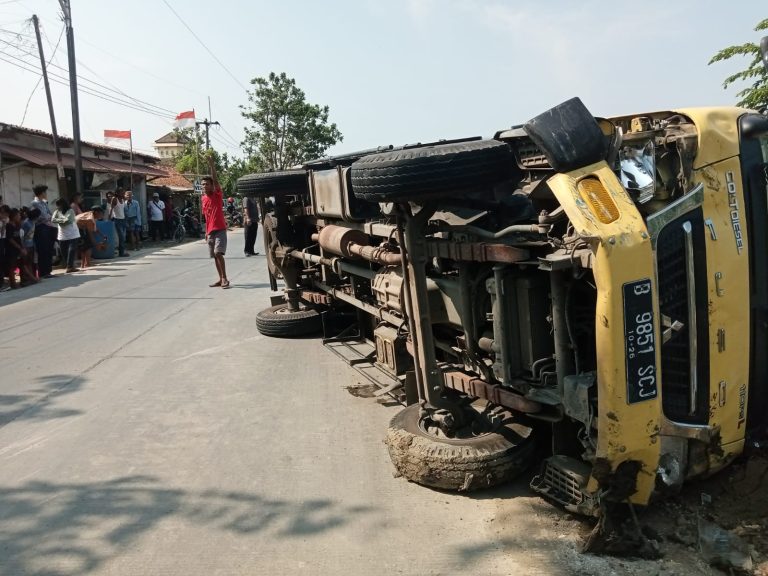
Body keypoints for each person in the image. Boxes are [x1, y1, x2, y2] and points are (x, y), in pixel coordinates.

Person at [202, 155, 229, 288]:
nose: (205, 186)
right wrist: (206, 232)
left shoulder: (216, 195)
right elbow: (206, 217)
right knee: (214, 256)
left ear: (212, 185)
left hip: (220, 229)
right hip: (210, 231)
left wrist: (212, 165)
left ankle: (224, 278)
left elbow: (216, 179)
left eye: (207, 184)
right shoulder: (203, 199)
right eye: (203, 184)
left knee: (219, 253)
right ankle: (220, 279)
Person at [30, 184, 57, 278]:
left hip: (48, 227)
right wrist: (50, 217)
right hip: (40, 228)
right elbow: (43, 216)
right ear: (41, 193)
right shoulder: (35, 203)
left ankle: (48, 271)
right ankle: (43, 272)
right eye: (45, 192)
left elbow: (50, 214)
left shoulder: (44, 203)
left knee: (49, 249)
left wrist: (50, 217)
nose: (46, 194)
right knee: (43, 250)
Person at [51, 198, 80, 273]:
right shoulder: (57, 211)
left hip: (73, 233)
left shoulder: (70, 211)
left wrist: (60, 220)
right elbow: (53, 220)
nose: (58, 207)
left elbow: (68, 221)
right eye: (57, 205)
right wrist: (62, 221)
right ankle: (70, 265)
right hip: (62, 234)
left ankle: (69, 266)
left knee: (71, 249)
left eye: (59, 205)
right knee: (63, 251)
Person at [111, 187, 129, 257]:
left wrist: (126, 220)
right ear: (118, 193)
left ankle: (122, 251)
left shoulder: (122, 199)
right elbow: (111, 209)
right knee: (121, 237)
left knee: (123, 237)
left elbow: (124, 210)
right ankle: (121, 253)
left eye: (123, 192)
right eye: (122, 192)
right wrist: (110, 218)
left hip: (123, 219)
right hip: (117, 220)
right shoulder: (114, 199)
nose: (123, 194)